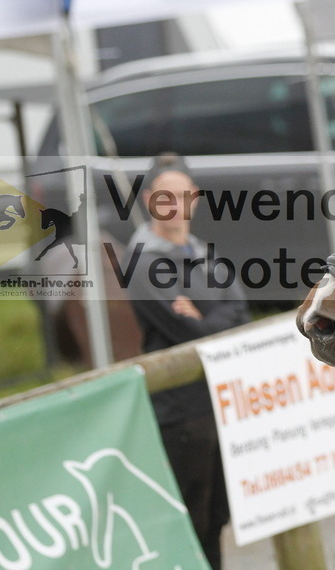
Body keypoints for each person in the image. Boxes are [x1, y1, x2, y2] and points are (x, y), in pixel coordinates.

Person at [127, 153, 250, 568]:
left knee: (217, 515)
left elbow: (241, 314)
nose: (176, 204)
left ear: (195, 198)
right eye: (166, 196)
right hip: (181, 414)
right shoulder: (141, 264)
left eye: (183, 195)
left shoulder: (204, 252)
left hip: (219, 403)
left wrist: (203, 316)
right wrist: (212, 320)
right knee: (190, 517)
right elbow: (188, 335)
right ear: (149, 200)